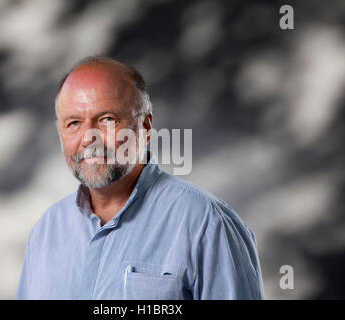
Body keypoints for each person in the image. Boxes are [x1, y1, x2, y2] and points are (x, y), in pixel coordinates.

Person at [17, 56, 264, 299]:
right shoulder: (45, 231)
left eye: (107, 120)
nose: (88, 139)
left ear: (145, 127)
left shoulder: (207, 224)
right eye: (73, 123)